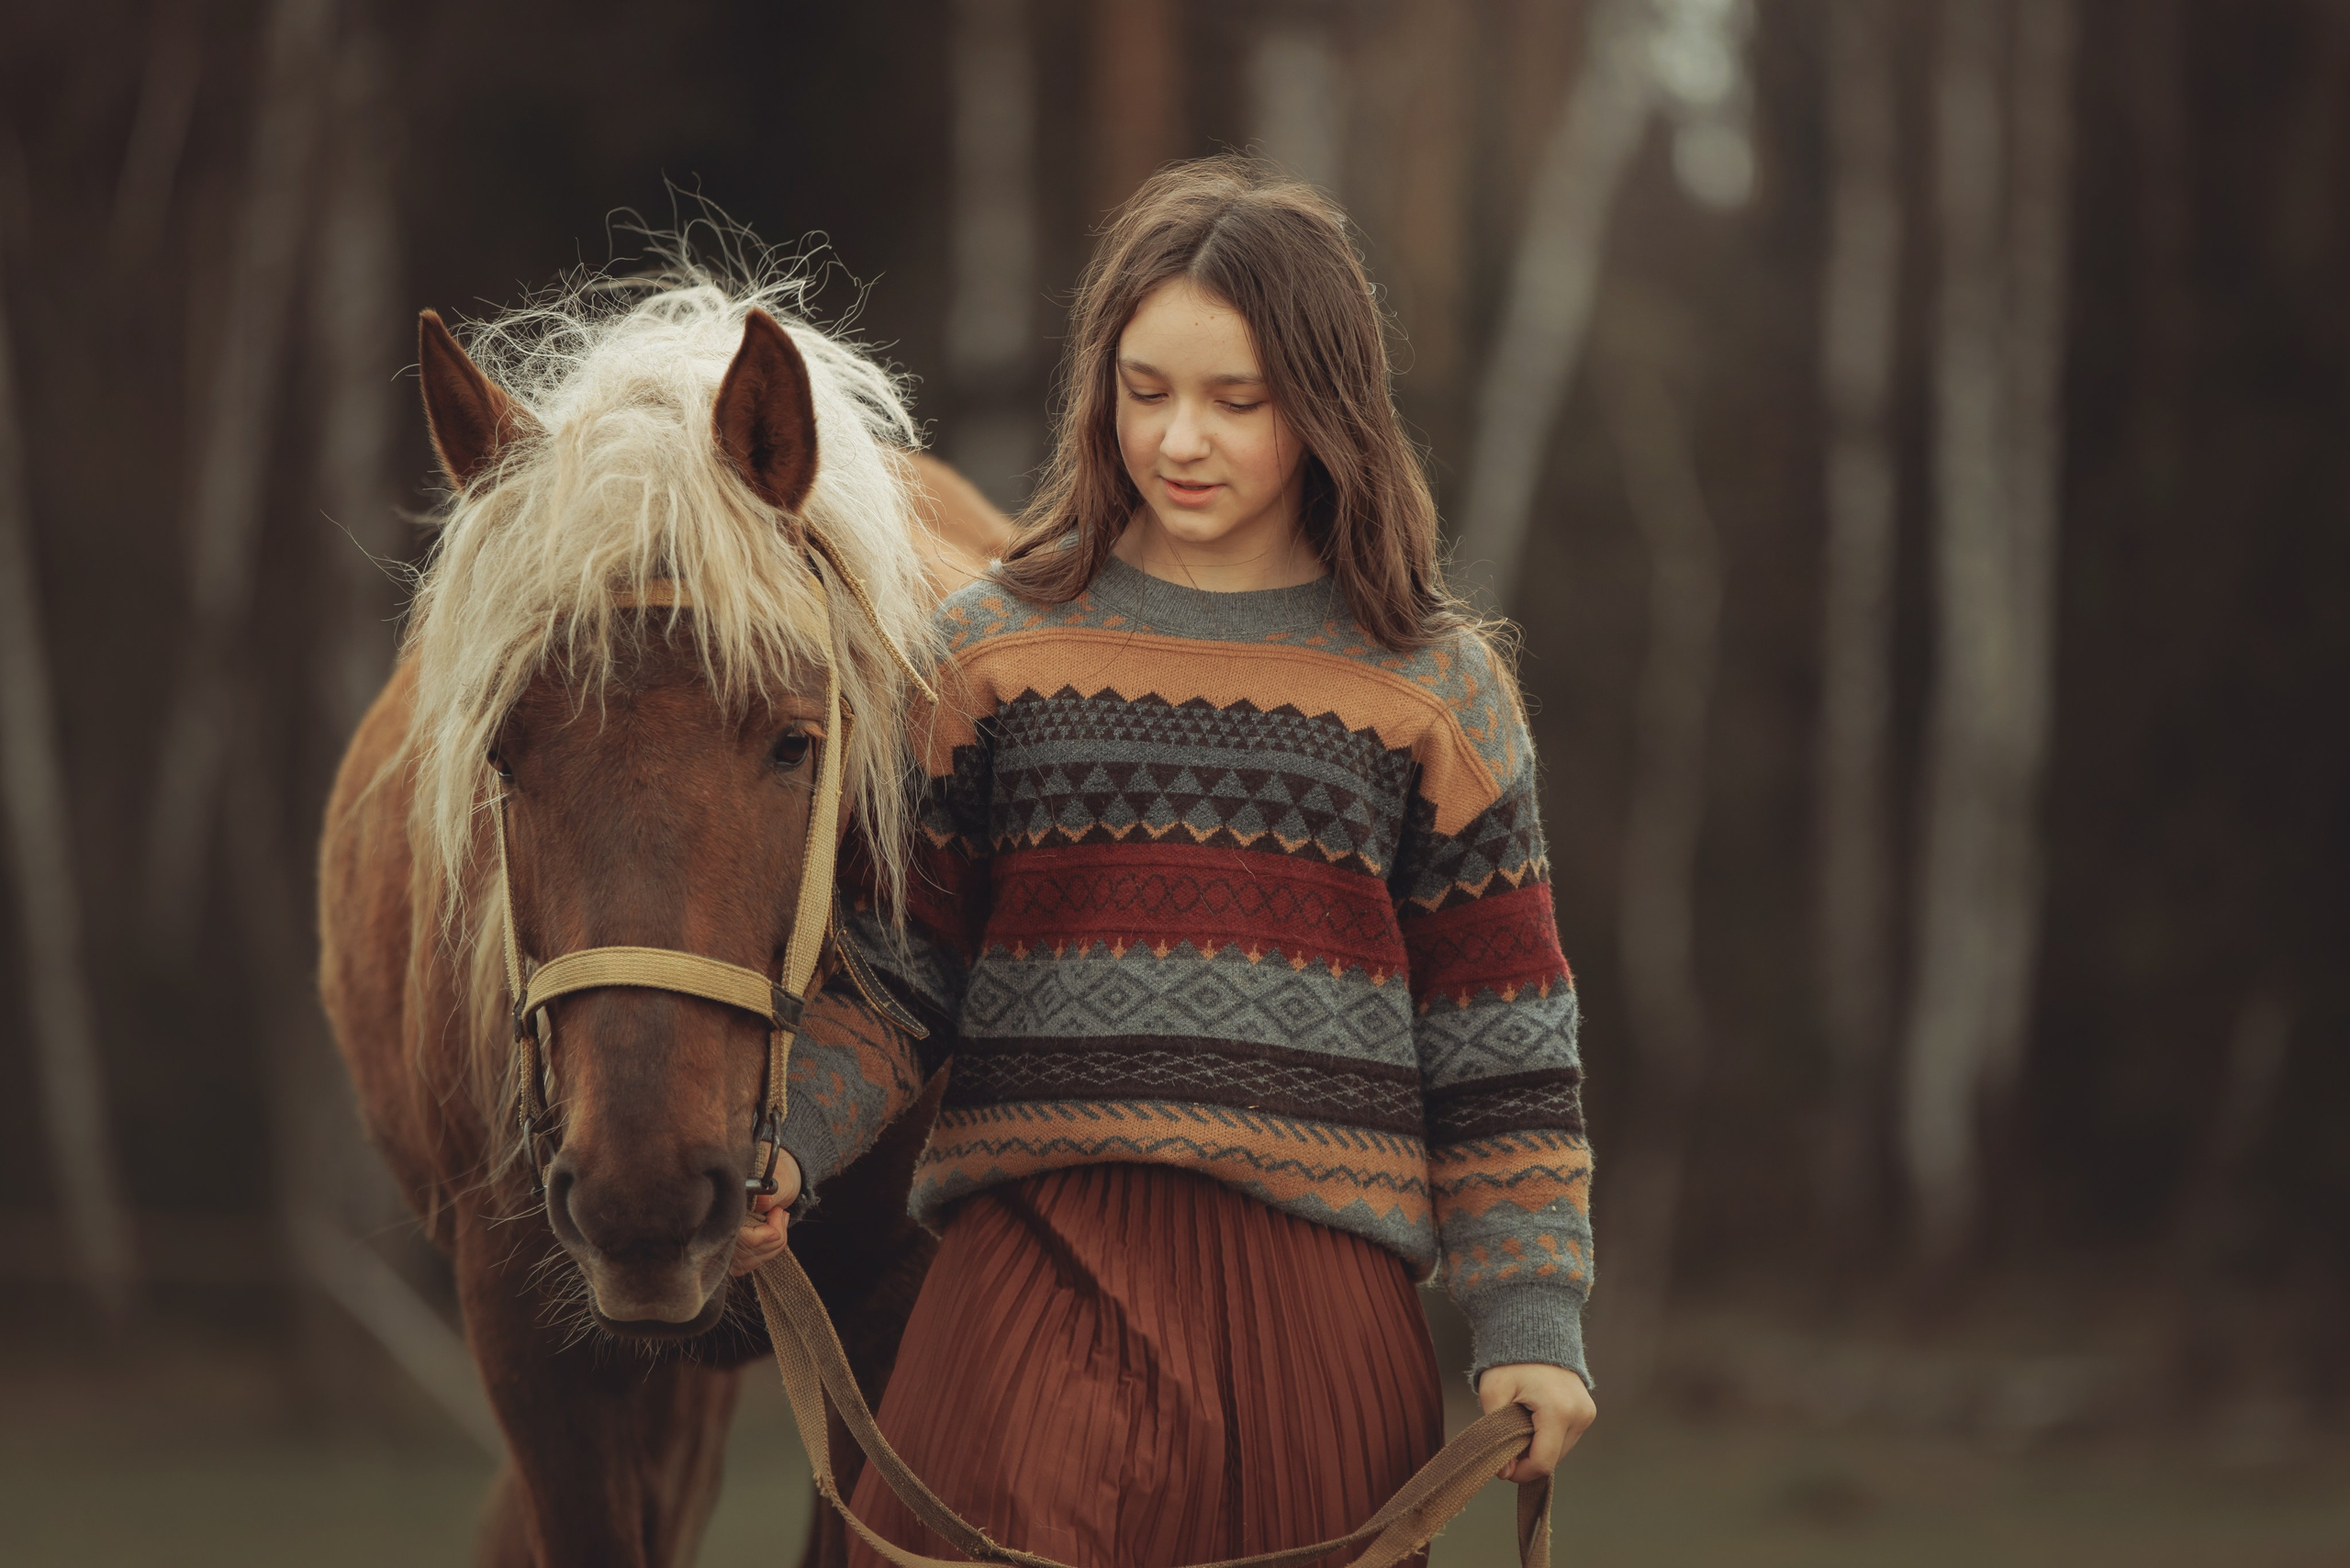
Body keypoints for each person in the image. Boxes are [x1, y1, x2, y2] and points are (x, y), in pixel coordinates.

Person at [733, 156, 1595, 1565]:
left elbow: (1501, 1038)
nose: (1180, 439)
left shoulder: (1438, 689)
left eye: (1235, 401)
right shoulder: (987, 650)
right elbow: (899, 971)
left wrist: (1533, 1318)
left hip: (1319, 1313)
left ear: (1325, 405)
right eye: (1146, 392)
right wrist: (792, 1142)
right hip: (1022, 1279)